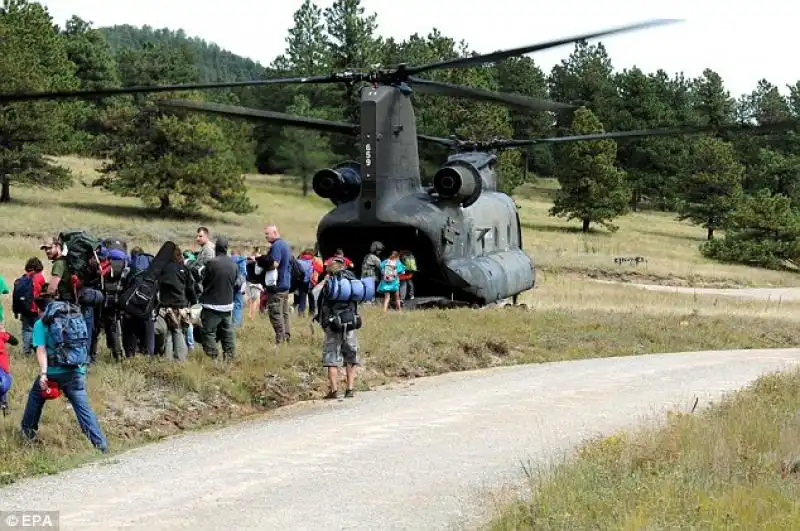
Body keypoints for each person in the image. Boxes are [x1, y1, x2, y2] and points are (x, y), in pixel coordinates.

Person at [20, 294, 108, 452]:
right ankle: (100, 445)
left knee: (35, 396)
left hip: (54, 371)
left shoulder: (41, 323)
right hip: (76, 370)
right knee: (83, 409)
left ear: (41, 310)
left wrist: (44, 374)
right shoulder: (73, 317)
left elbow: (41, 350)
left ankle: (27, 435)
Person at [314, 258, 363, 399]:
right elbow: (356, 303)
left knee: (331, 357)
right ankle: (350, 389)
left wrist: (324, 323)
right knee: (351, 356)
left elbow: (321, 305)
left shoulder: (329, 285)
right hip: (350, 322)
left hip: (333, 324)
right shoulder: (351, 283)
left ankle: (334, 391)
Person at [198, 237, 239, 360]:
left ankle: (213, 358)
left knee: (209, 332)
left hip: (212, 305)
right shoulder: (234, 264)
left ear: (216, 248)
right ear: (227, 248)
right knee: (227, 331)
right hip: (227, 304)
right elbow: (235, 282)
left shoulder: (211, 263)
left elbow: (204, 282)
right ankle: (230, 356)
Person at [155, 246, 197, 361]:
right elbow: (190, 289)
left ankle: (167, 360)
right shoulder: (184, 269)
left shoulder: (163, 269)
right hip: (181, 306)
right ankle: (180, 360)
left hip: (165, 306)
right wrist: (194, 303)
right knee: (178, 331)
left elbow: (157, 286)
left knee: (168, 333)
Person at [263, 224, 292, 344]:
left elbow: (275, 263)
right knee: (284, 313)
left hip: (277, 286)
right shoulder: (285, 244)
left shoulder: (276, 246)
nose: (266, 237)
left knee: (275, 313)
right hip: (285, 284)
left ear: (274, 233)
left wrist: (261, 264)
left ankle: (280, 340)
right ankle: (286, 337)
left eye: (267, 234)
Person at [14, 257, 47, 356]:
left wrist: (16, 310)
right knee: (38, 329)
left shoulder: (23, 278)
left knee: (26, 329)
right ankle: (37, 348)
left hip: (24, 309)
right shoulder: (40, 277)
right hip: (36, 309)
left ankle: (26, 351)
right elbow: (44, 292)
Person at [0, 322, 18, 414]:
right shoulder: (2, 335)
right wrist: (4, 332)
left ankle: (4, 404)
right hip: (3, 368)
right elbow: (15, 341)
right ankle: (4, 404)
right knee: (3, 384)